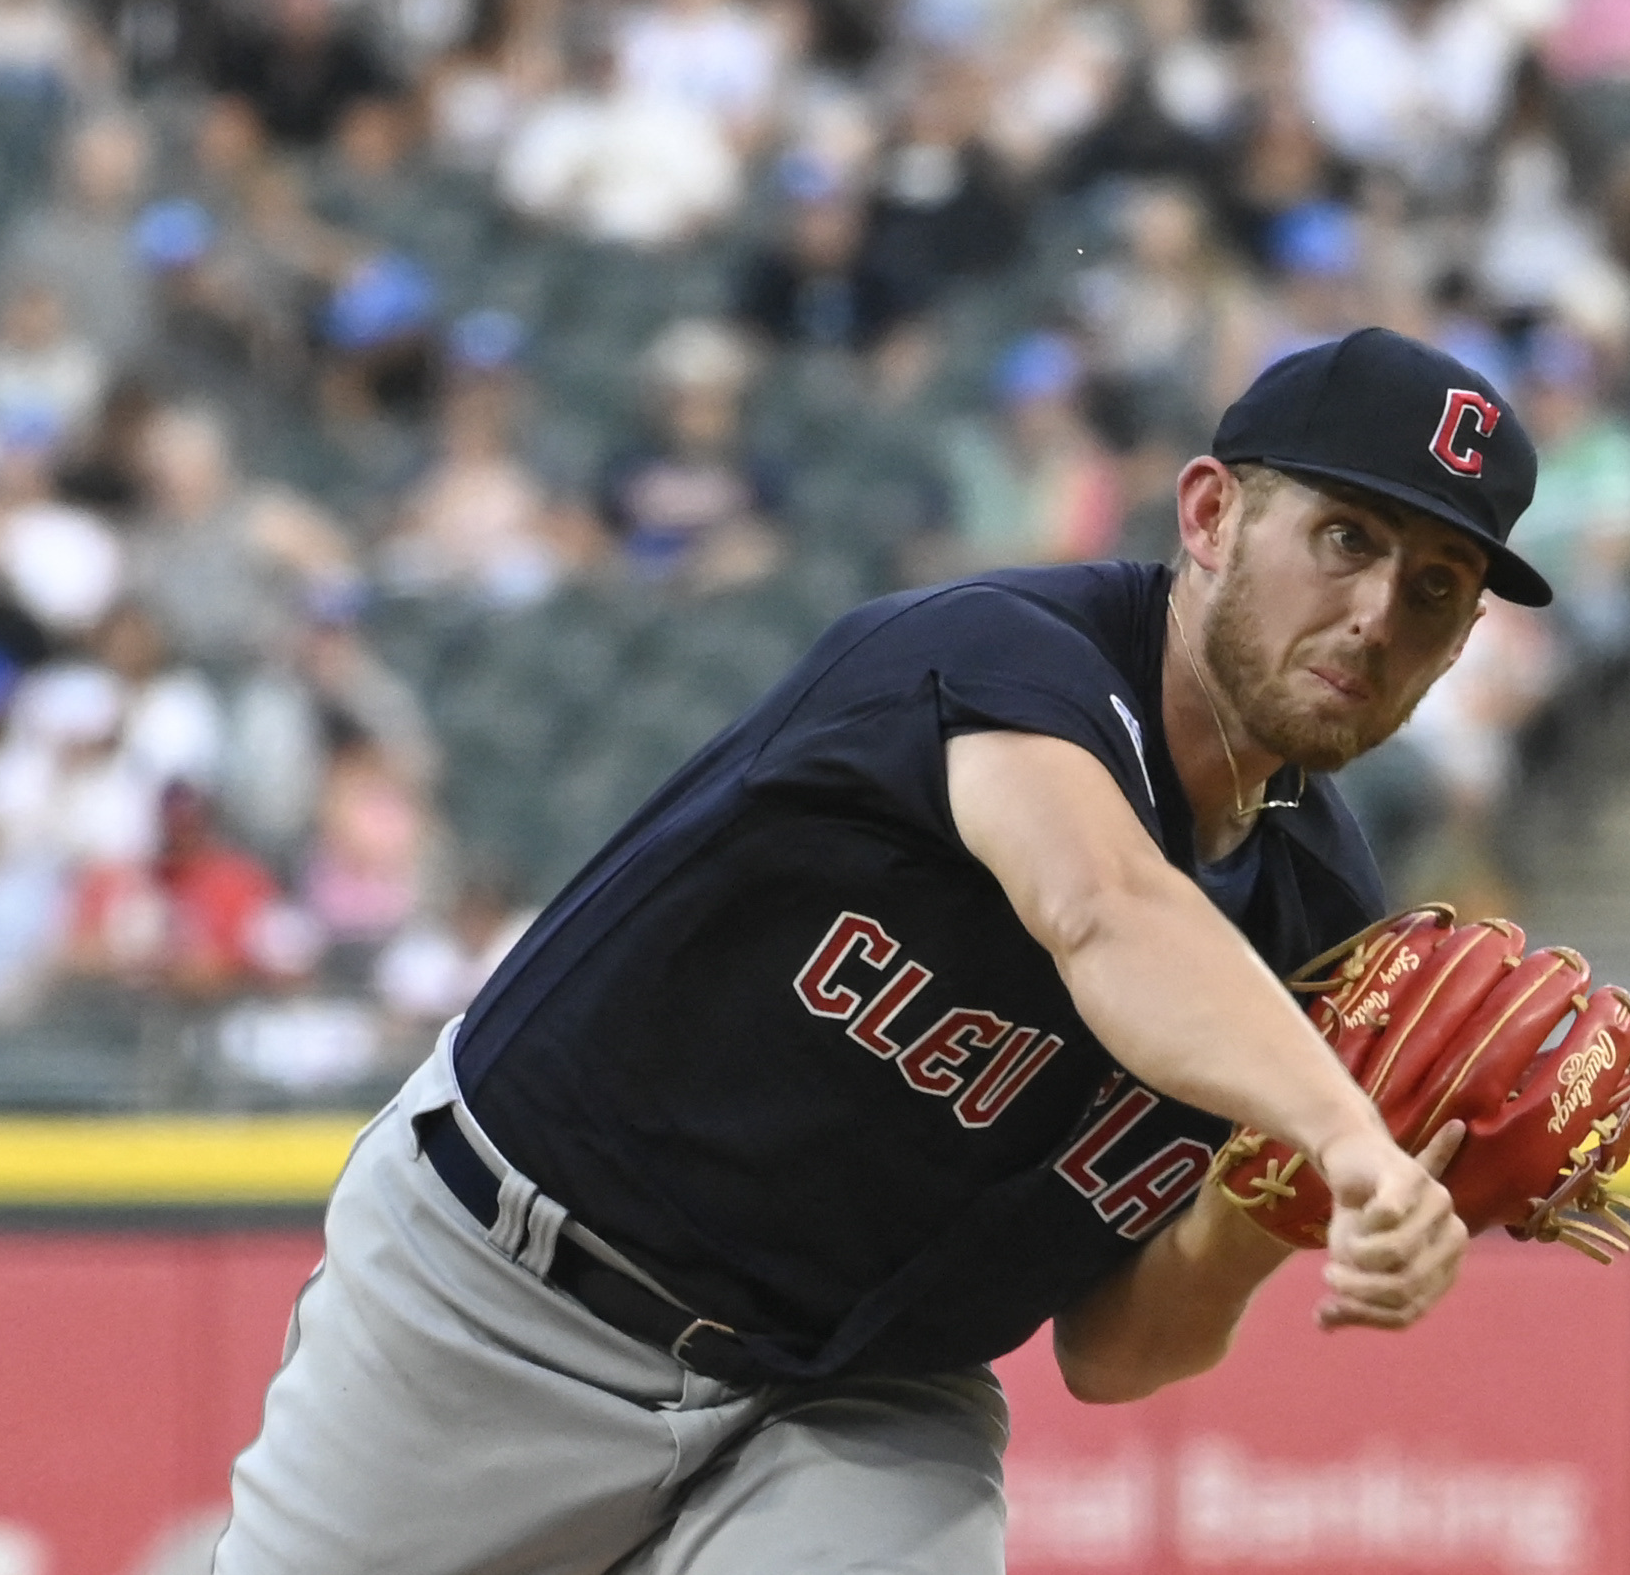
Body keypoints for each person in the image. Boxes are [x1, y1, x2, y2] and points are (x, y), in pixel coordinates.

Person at [215, 328, 1549, 1574]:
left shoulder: (1322, 921)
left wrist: (1283, 1211)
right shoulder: (999, 654)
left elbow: (1115, 1348)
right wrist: (1346, 1131)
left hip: (861, 1402)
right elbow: (1102, 909)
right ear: (1209, 516)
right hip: (506, 1304)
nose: (1378, 613)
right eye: (1342, 538)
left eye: (1435, 589)